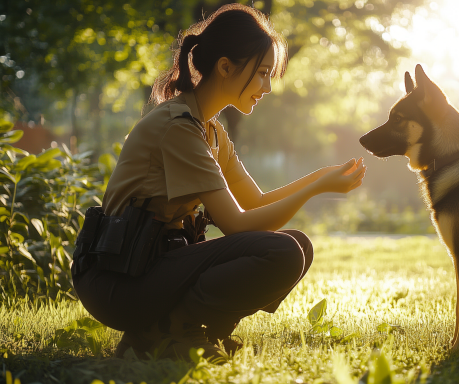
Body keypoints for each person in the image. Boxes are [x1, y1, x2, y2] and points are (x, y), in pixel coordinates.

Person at [72, 3, 366, 361]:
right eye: (261, 73)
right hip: (119, 283)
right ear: (226, 66)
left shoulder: (211, 131)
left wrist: (318, 177)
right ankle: (165, 333)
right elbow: (236, 224)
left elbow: (255, 203)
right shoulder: (178, 128)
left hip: (154, 267)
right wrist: (316, 188)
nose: (268, 87)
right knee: (283, 251)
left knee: (297, 245)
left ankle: (182, 331)